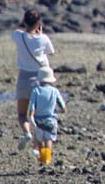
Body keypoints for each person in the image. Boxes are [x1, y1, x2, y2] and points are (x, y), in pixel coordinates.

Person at [12, 9, 56, 152]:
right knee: (41, 119)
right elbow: (51, 52)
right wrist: (40, 33)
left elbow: (18, 31)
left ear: (24, 21)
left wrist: (28, 27)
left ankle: (27, 133)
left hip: (24, 78)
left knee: (23, 115)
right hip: (41, 79)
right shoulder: (43, 38)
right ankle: (44, 157)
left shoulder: (18, 36)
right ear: (38, 23)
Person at [27, 67, 65, 167]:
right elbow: (62, 106)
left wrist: (31, 116)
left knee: (40, 141)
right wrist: (59, 111)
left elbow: (32, 106)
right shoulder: (54, 91)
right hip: (51, 120)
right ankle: (47, 160)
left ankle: (43, 159)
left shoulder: (36, 90)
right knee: (49, 139)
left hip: (38, 120)